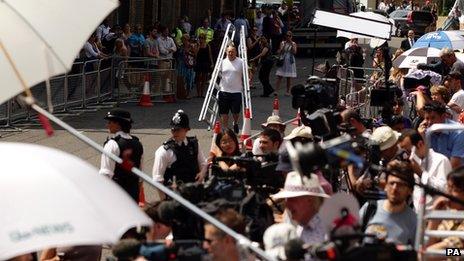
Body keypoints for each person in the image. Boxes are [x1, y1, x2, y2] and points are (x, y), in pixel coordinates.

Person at [359, 160, 417, 245]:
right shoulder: (370, 208)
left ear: (410, 190)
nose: (394, 188)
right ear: (385, 186)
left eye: (400, 184)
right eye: (391, 183)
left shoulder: (414, 221)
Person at [152, 110, 207, 196]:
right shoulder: (164, 151)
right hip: (175, 197)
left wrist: (202, 174)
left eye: (178, 130)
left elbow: (203, 164)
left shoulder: (194, 145)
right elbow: (157, 179)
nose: (174, 132)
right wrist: (163, 201)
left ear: (186, 129)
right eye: (173, 130)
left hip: (195, 194)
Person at [272, 171, 330, 247]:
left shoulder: (330, 229)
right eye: (286, 199)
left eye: (292, 199)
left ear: (309, 200)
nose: (287, 204)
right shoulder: (301, 228)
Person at [399, 129, 451, 211]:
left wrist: (421, 173)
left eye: (409, 151)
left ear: (420, 144)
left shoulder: (441, 160)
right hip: (417, 216)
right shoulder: (413, 163)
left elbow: (444, 191)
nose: (408, 156)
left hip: (435, 216)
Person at [99, 109, 144, 202]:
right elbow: (140, 174)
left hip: (116, 194)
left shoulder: (112, 144)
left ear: (118, 124)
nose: (107, 125)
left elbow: (106, 174)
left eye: (110, 122)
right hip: (133, 193)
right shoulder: (138, 143)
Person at [426, 166, 464, 251]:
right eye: (448, 187)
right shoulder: (449, 216)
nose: (448, 194)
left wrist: (428, 254)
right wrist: (434, 216)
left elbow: (456, 250)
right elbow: (428, 243)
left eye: (454, 189)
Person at [421, 101, 464, 169]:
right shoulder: (425, 131)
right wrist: (423, 137)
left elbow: (455, 165)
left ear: (443, 116)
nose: (429, 122)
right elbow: (424, 159)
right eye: (427, 118)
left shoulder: (458, 132)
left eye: (433, 118)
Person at [218, 45, 244, 133]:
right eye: (229, 51)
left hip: (236, 91)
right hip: (224, 91)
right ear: (226, 52)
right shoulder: (222, 62)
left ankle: (235, 123)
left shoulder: (241, 62)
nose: (230, 53)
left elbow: (248, 72)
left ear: (236, 52)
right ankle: (225, 129)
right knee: (223, 112)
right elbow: (217, 73)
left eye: (232, 51)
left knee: (235, 112)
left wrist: (249, 78)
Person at [275, 31, 297, 96]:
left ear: (291, 37)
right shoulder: (282, 43)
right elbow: (281, 51)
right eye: (287, 36)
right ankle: (276, 90)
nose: (288, 37)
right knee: (279, 76)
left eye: (289, 36)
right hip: (283, 59)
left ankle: (288, 91)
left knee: (288, 77)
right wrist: (284, 45)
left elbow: (294, 52)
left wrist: (292, 45)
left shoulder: (293, 43)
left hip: (290, 61)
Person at [176, 34, 196, 99]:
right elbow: (178, 55)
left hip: (189, 65)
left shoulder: (191, 46)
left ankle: (187, 94)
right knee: (181, 79)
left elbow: (195, 54)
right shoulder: (181, 46)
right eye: (182, 39)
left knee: (189, 80)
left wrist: (189, 52)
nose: (183, 40)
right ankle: (181, 93)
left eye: (184, 39)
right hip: (182, 64)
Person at [194, 33, 213, 98]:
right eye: (200, 38)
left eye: (202, 38)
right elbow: (195, 54)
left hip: (205, 62)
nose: (201, 39)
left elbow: (210, 55)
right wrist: (199, 47)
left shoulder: (208, 46)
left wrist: (211, 63)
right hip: (199, 62)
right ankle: (198, 93)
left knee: (204, 79)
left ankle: (202, 93)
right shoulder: (197, 45)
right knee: (198, 78)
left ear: (204, 39)